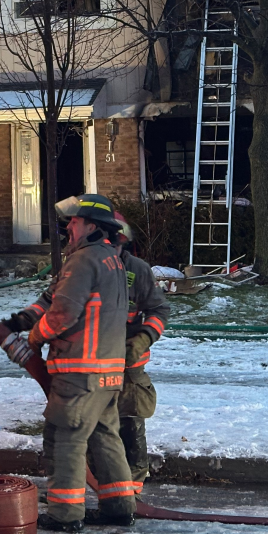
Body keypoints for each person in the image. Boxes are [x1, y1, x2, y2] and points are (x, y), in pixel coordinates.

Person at [1, 194, 138, 532]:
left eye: (74, 221)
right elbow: (52, 298)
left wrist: (32, 338)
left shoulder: (83, 261)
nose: (68, 227)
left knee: (65, 440)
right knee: (105, 438)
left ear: (92, 226)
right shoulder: (110, 260)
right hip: (105, 375)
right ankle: (119, 507)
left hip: (79, 372)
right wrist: (22, 319)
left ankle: (65, 514)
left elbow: (61, 315)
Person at [87, 211, 170, 492]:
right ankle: (98, 487)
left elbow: (159, 309)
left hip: (127, 368)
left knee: (130, 424)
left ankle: (131, 490)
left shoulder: (138, 271)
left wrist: (143, 339)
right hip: (90, 366)